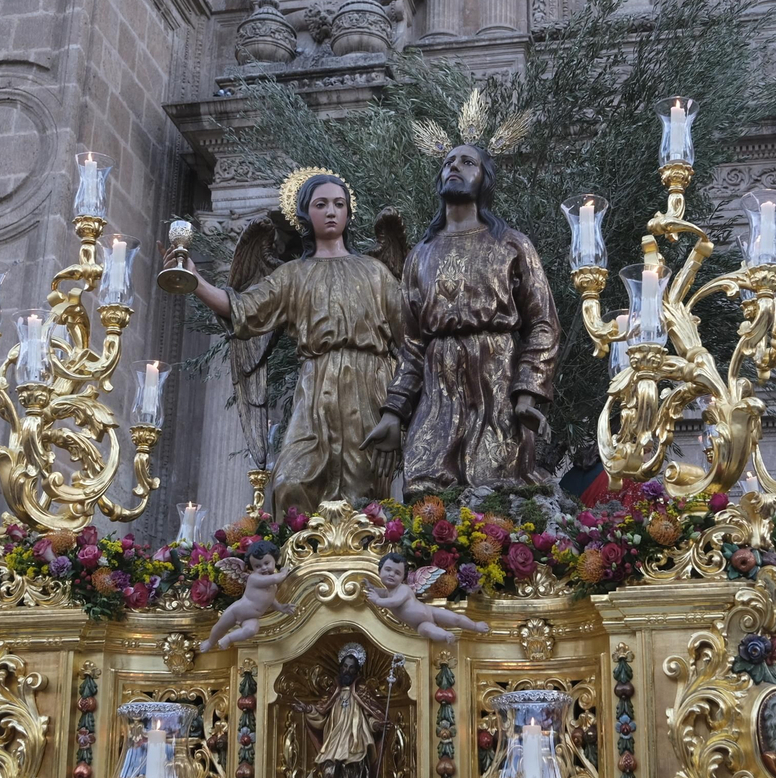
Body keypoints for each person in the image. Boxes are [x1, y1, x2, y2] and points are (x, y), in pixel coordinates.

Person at [170, 170, 406, 513]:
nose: (330, 211)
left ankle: (366, 562)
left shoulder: (375, 271)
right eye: (321, 204)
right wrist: (196, 281)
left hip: (369, 386)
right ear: (305, 214)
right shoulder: (293, 274)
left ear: (348, 213)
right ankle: (297, 559)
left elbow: (410, 335)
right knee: (290, 482)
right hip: (316, 386)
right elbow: (245, 310)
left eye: (339, 204)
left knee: (364, 491)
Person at [362, 144, 560, 492]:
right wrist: (394, 411)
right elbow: (411, 347)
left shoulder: (512, 245)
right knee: (424, 487)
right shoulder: (419, 257)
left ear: (484, 178)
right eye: (448, 162)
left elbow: (543, 324)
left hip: (496, 380)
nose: (455, 167)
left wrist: (527, 393)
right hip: (438, 389)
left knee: (497, 492)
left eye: (468, 162)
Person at [293, 643, 390, 778]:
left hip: (355, 741)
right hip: (335, 741)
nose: (347, 670)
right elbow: (321, 716)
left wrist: (377, 726)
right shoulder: (334, 692)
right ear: (340, 667)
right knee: (329, 768)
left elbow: (370, 717)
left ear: (357, 671)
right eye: (345, 666)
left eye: (352, 668)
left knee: (352, 769)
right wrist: (308, 709)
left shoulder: (362, 692)